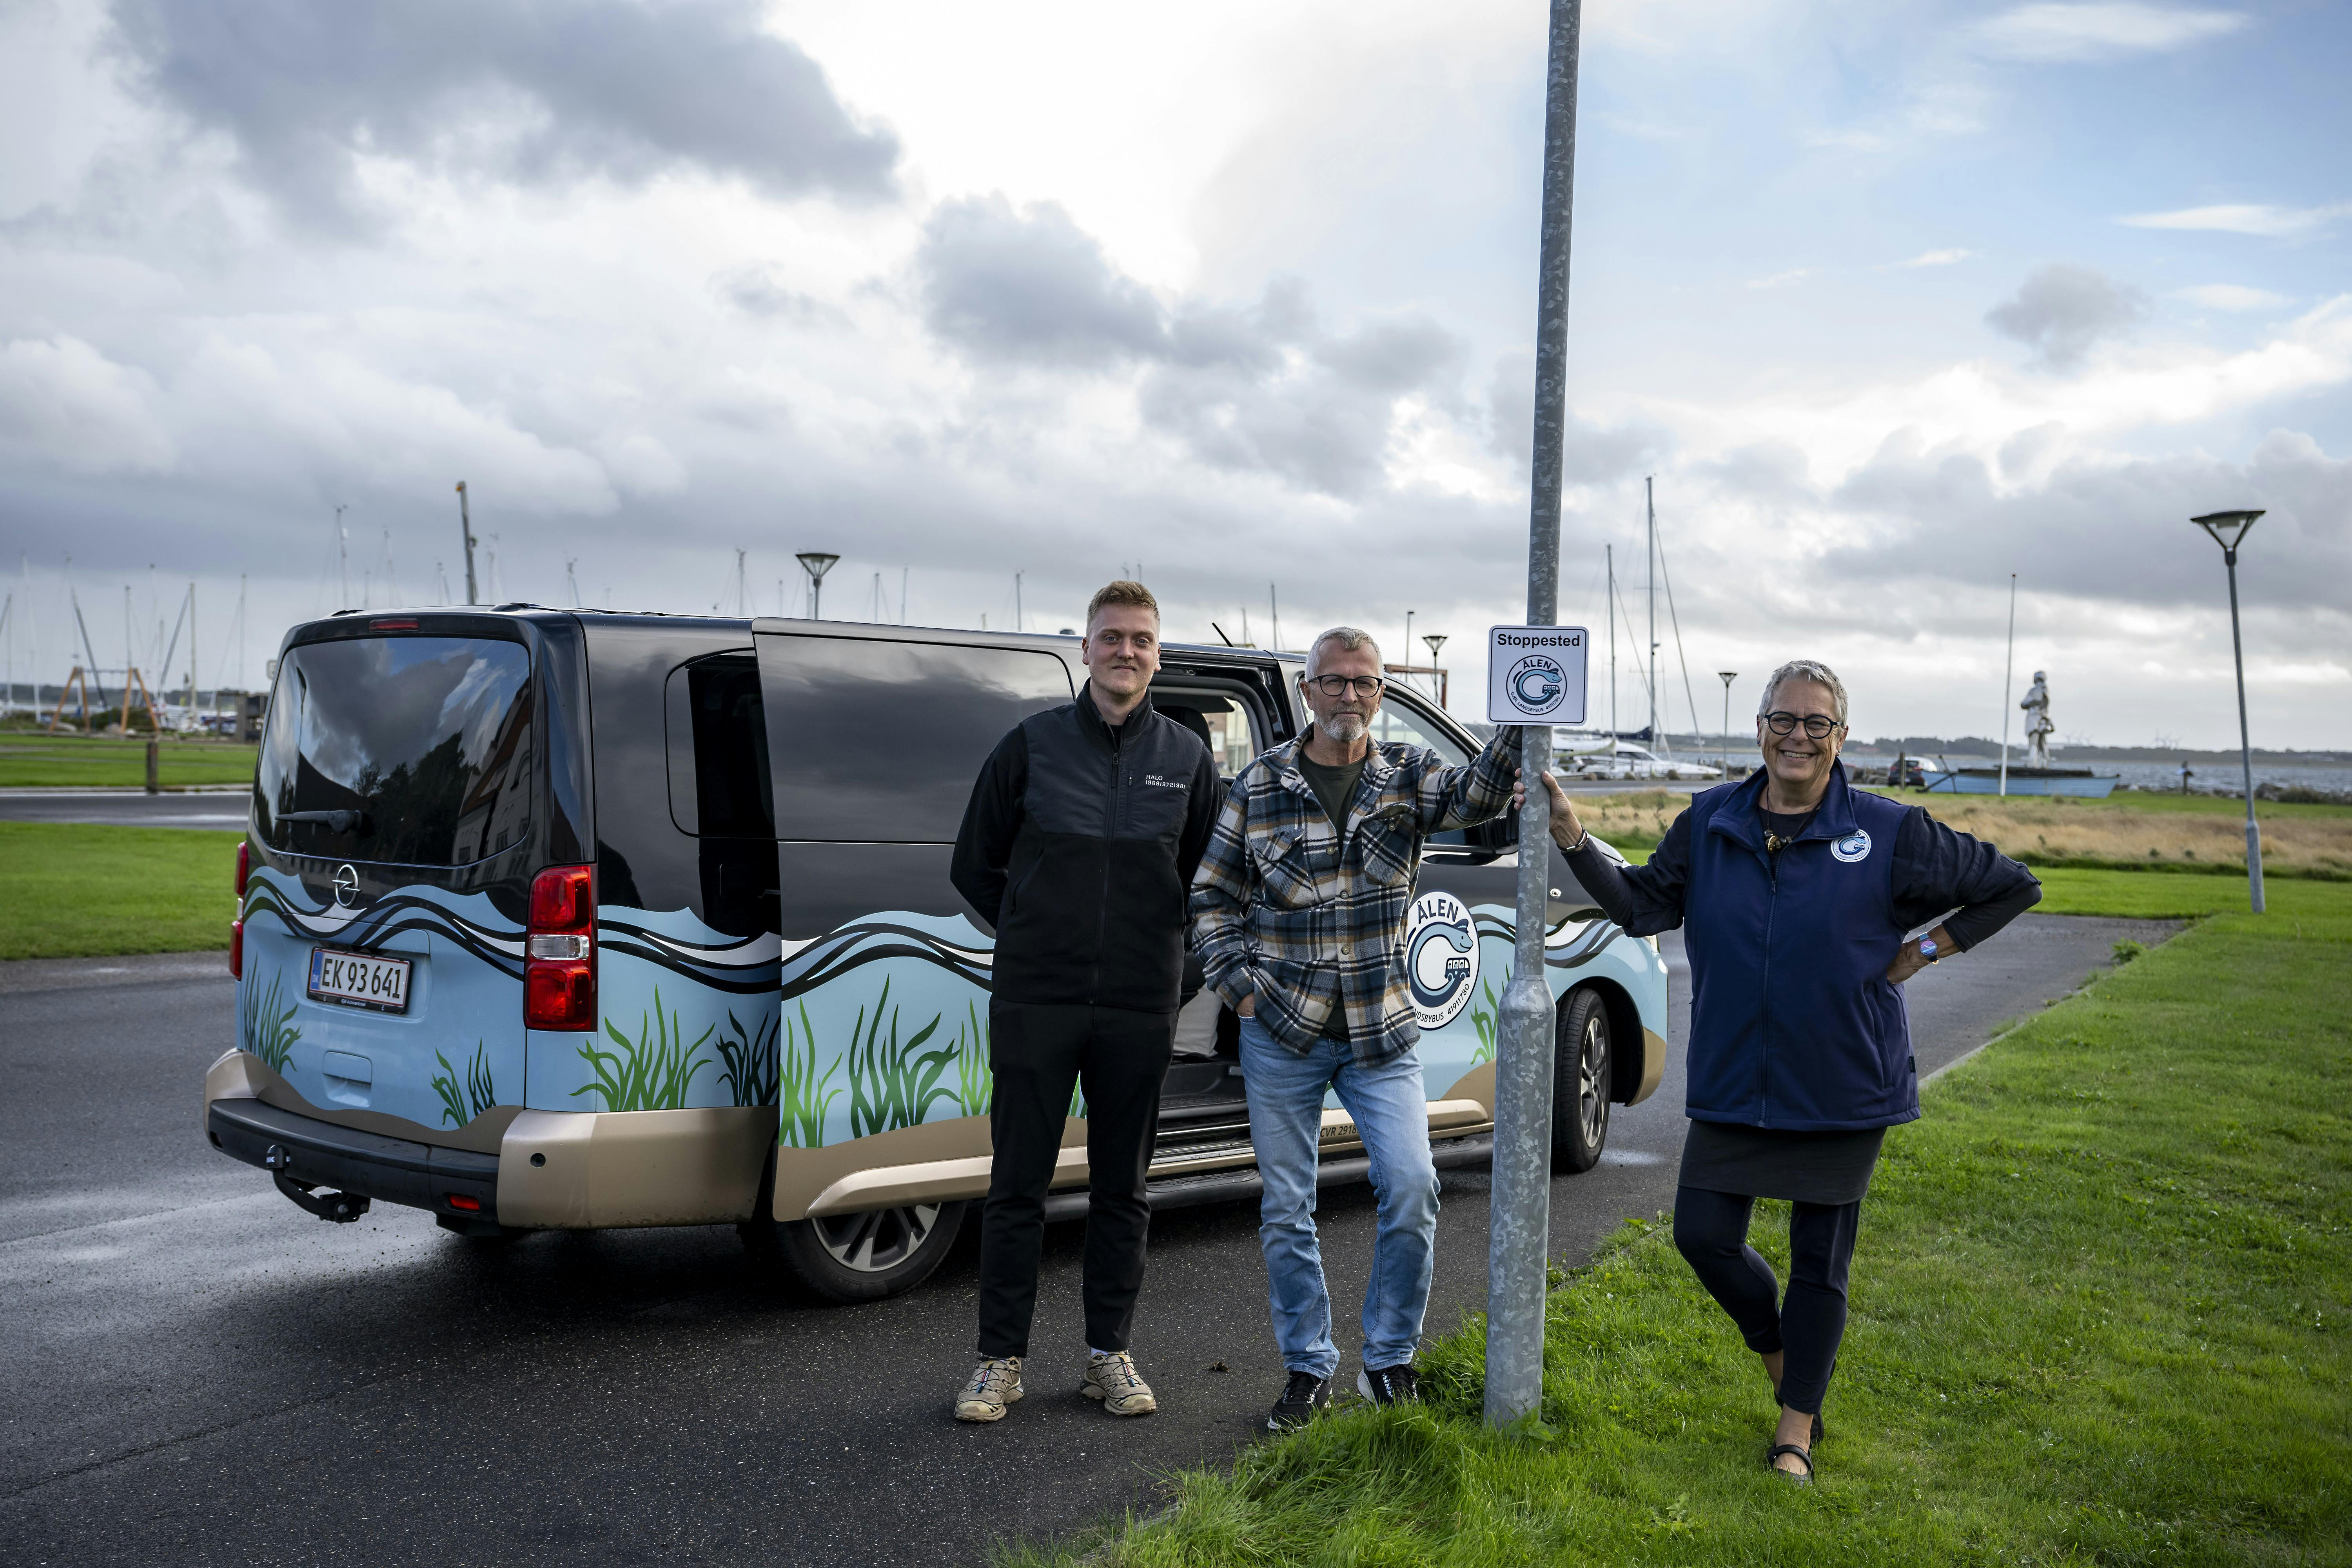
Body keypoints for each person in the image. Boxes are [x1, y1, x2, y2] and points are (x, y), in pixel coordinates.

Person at [1527, 657, 2040, 1483]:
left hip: (1844, 1080)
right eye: (1783, 719)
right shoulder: (1711, 820)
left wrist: (1925, 948)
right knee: (1702, 1236)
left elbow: (2012, 886)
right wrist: (1571, 837)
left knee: (1818, 1261)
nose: (1797, 735)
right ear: (1760, 728)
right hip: (1735, 1075)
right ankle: (1782, 1358)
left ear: (1840, 737)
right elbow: (1641, 905)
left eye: (1816, 723)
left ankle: (1795, 1428)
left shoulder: (1889, 830)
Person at [1191, 626, 1521, 1430]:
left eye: (1364, 681)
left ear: (1380, 693)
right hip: (1282, 1032)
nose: (1349, 694)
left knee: (1412, 1187)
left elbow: (1478, 795)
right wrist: (1242, 993)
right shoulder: (1259, 785)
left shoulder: (1407, 775)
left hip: (1381, 1032)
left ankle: (1388, 1360)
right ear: (1308, 690)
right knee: (1287, 1208)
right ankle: (1307, 1369)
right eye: (1334, 681)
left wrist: (1524, 711)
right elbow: (1211, 898)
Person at [947, 581, 1220, 1424]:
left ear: (1158, 656)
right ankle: (999, 1361)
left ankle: (1109, 1355)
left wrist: (1174, 972)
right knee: (1016, 1185)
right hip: (1038, 999)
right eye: (1111, 637)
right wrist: (1033, 936)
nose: (1125, 651)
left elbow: (1205, 881)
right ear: (1086, 647)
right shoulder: (1030, 745)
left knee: (1122, 1189)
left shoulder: (1187, 758)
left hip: (1138, 1006)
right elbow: (973, 865)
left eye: (1140, 639)